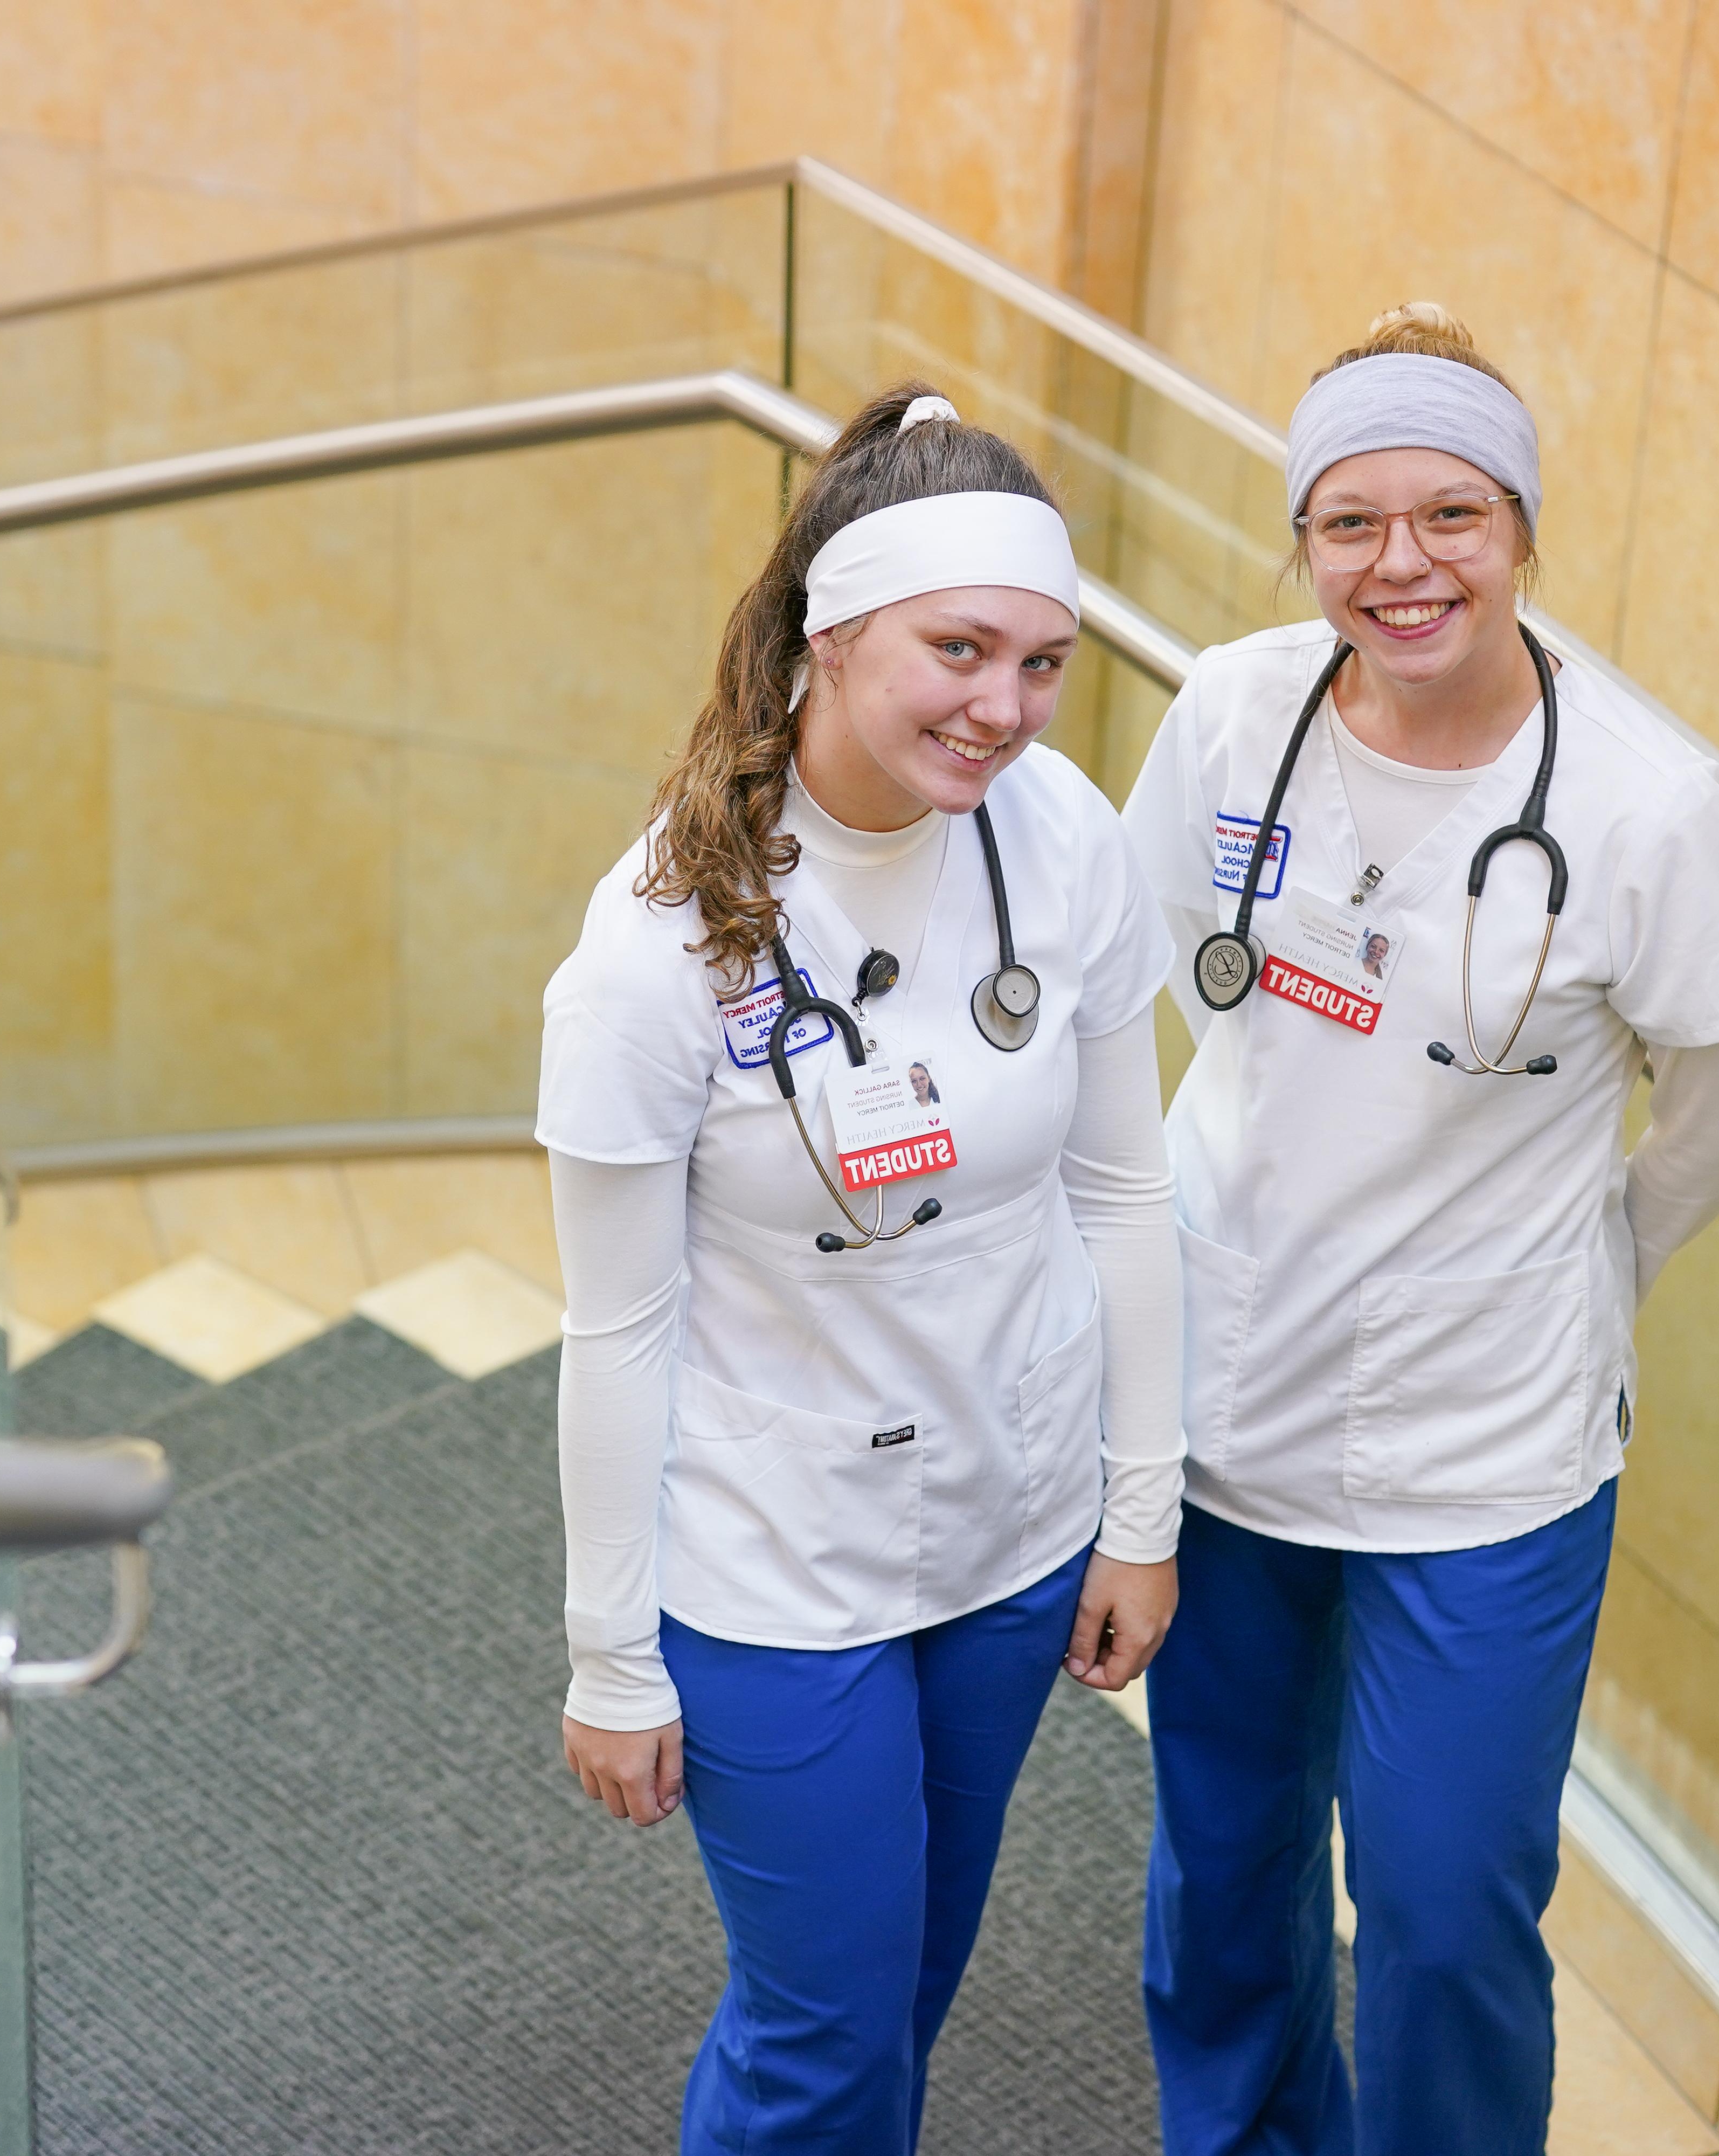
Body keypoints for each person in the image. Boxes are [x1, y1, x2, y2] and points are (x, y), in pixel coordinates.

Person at [1120, 304, 1719, 2155]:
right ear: (1304, 539)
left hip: (1488, 1454)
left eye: (1452, 516)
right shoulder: (1235, 710)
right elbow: (1170, 984)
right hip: (1230, 1398)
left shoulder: (1648, 812)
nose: (1399, 565)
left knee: (1437, 1911)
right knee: (1227, 1868)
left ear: (1521, 532)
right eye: (1350, 522)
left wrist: (1574, 1274)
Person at [541, 383, 1184, 2153]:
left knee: (905, 1987)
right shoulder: (655, 952)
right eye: (961, 650)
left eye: (1045, 663)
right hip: (772, 1556)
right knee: (825, 2029)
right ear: (829, 635)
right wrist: (611, 1655)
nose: (1007, 708)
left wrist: (1144, 1508)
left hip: (1013, 1518)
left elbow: (1129, 1195)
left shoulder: (1065, 837)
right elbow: (616, 1327)